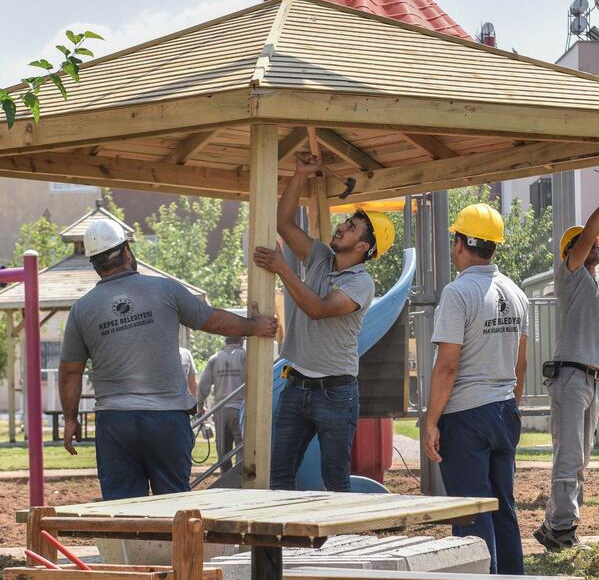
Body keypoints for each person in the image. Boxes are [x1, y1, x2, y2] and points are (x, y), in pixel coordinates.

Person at [59, 218, 277, 499]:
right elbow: (211, 321)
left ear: (95, 264)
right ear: (127, 252)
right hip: (166, 420)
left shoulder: (82, 310)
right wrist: (254, 326)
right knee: (174, 505)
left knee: (124, 510)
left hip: (115, 424)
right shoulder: (165, 290)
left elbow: (70, 371)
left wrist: (70, 419)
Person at [253, 158, 395, 491]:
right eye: (347, 221)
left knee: (335, 482)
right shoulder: (319, 257)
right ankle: (280, 544)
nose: (343, 226)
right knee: (280, 477)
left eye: (352, 228)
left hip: (336, 393)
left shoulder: (361, 283)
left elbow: (317, 309)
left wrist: (282, 267)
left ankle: (340, 544)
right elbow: (282, 222)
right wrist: (300, 174)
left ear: (363, 247)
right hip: (297, 385)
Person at [423, 202, 529, 575]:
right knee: (503, 508)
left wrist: (431, 419)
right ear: (494, 247)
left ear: (460, 243)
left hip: (467, 416)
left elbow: (448, 364)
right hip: (504, 410)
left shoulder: (458, 293)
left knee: (472, 513)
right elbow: (521, 362)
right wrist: (509, 406)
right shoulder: (517, 294)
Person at [537, 173, 599, 551]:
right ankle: (562, 530)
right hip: (571, 377)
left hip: (591, 380)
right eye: (586, 242)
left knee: (580, 462)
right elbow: (587, 236)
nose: (594, 244)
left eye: (595, 242)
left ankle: (554, 526)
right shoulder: (571, 274)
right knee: (570, 455)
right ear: (572, 252)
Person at [198, 336, 246, 463]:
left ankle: (226, 480)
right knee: (242, 450)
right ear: (241, 340)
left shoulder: (214, 358)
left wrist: (200, 406)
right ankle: (239, 480)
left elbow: (204, 385)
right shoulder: (245, 357)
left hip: (220, 411)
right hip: (240, 411)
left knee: (223, 452)